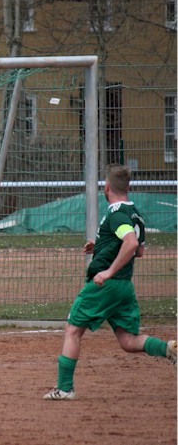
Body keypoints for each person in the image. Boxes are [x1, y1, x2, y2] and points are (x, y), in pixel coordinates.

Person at [43, 164, 176, 400]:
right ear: (128, 187)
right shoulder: (135, 212)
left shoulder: (116, 213)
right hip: (124, 288)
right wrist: (101, 246)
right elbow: (139, 250)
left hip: (107, 284)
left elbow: (131, 243)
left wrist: (108, 271)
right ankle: (167, 349)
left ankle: (64, 389)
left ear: (106, 187)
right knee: (128, 340)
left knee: (73, 330)